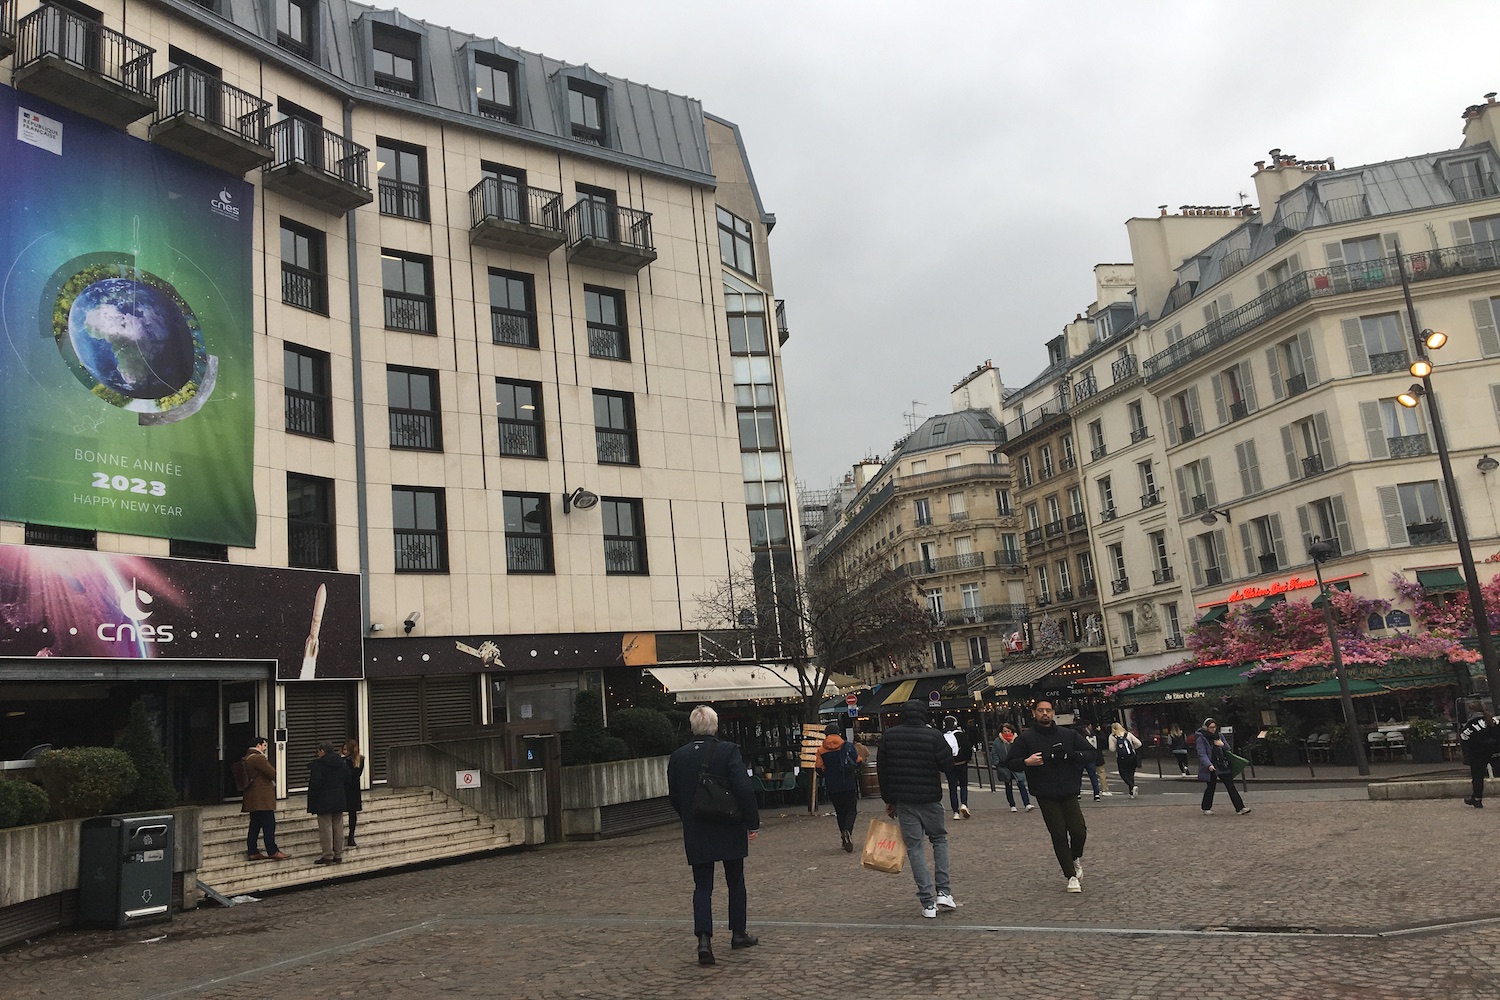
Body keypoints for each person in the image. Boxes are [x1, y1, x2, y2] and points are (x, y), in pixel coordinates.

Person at [666, 705, 760, 966]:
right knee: (735, 880)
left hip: (696, 827)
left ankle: (704, 939)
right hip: (729, 824)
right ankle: (738, 932)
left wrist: (687, 816)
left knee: (702, 885)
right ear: (716, 727)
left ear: (692, 727)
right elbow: (743, 788)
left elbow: (673, 794)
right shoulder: (728, 750)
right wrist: (752, 822)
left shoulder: (678, 756)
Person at [877, 700, 957, 918]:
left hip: (904, 801)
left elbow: (882, 772)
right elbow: (947, 764)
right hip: (930, 798)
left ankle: (927, 902)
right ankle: (943, 891)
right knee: (939, 840)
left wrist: (889, 799)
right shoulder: (933, 736)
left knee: (915, 848)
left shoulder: (889, 737)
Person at [1007, 699, 1093, 892]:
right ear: (1034, 713)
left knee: (1079, 830)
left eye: (1048, 710)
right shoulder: (1026, 738)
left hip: (1069, 789)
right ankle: (1071, 875)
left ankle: (1074, 856)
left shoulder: (1068, 734)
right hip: (1045, 792)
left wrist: (1071, 756)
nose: (1044, 714)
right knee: (1058, 833)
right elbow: (1010, 761)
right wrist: (1026, 762)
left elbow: (1091, 754)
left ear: (1053, 713)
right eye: (1040, 710)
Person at [816, 722, 867, 851]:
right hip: (848, 783)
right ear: (839, 733)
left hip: (832, 785)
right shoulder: (847, 746)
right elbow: (858, 761)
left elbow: (819, 769)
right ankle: (847, 830)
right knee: (851, 810)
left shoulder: (821, 750)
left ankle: (843, 836)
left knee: (839, 812)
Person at [240, 737, 288, 861]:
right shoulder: (258, 758)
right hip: (262, 798)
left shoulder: (247, 758)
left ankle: (252, 850)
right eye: (264, 745)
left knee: (255, 824)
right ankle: (272, 850)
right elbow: (272, 773)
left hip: (252, 797)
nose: (265, 748)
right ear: (258, 745)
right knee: (269, 824)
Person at [1196, 718, 1251, 816]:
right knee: (1211, 787)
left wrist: (1222, 745)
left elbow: (1228, 748)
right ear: (1206, 728)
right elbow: (1202, 754)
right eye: (1211, 727)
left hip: (1221, 763)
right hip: (1211, 764)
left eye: (1214, 727)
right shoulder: (1201, 738)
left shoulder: (1219, 735)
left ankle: (1240, 808)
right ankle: (1206, 807)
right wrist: (1208, 765)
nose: (1213, 729)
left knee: (1230, 785)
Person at [307, 740, 349, 864]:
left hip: (323, 799)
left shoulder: (319, 765)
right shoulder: (342, 763)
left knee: (326, 828)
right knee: (338, 826)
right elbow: (348, 779)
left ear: (322, 751)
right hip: (339, 797)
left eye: (318, 751)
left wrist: (313, 802)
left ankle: (327, 855)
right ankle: (338, 854)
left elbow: (315, 784)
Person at [1458, 711, 1500, 807]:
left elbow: (1464, 738)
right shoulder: (1495, 720)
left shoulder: (1471, 725)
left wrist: (1466, 755)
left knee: (1477, 777)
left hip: (1478, 753)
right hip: (1496, 751)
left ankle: (1477, 799)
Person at [991, 722, 1033, 812]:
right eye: (1004, 731)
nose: (1006, 733)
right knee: (1008, 785)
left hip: (1016, 765)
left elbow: (1023, 750)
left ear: (1012, 731)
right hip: (1004, 766)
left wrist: (1022, 761)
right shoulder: (997, 742)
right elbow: (993, 752)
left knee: (1021, 784)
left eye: (1008, 731)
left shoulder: (1017, 740)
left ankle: (1027, 804)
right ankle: (1012, 805)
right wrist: (997, 763)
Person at [941, 715, 973, 819]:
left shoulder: (941, 735)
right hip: (961, 763)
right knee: (963, 785)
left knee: (952, 787)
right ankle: (964, 804)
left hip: (949, 764)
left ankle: (955, 812)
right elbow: (968, 748)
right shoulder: (961, 734)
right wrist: (967, 758)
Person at [1077, 720, 1111, 800]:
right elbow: (1102, 740)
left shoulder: (1077, 734)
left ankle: (1078, 793)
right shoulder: (1093, 733)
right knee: (1094, 775)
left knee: (1078, 776)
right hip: (1092, 757)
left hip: (1081, 757)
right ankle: (1097, 793)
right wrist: (1100, 732)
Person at [341, 738, 365, 847]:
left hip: (352, 789)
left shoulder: (358, 760)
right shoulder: (343, 760)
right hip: (343, 788)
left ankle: (351, 837)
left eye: (346, 749)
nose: (344, 752)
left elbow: (355, 774)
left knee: (352, 813)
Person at [1109, 722, 1143, 798]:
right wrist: (1132, 748)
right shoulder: (1127, 734)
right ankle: (1131, 793)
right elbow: (1139, 743)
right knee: (1131, 774)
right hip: (1132, 756)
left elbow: (1112, 749)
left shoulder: (1112, 737)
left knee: (1123, 774)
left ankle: (1132, 786)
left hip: (1121, 758)